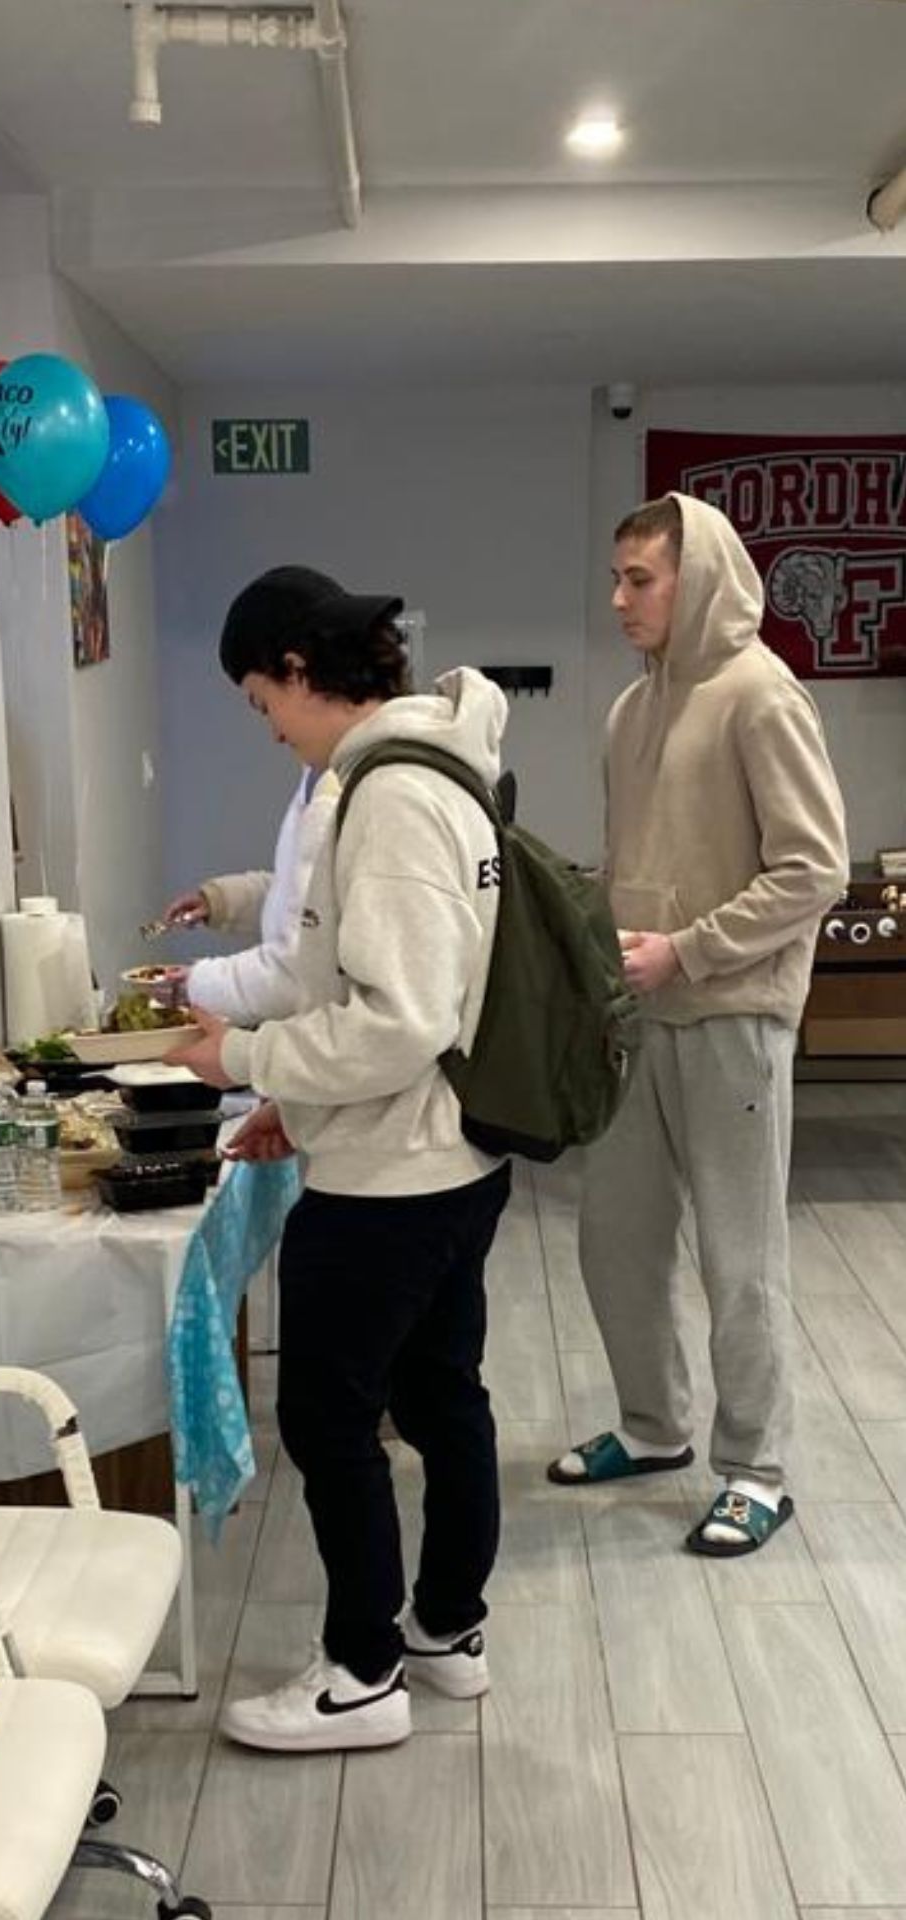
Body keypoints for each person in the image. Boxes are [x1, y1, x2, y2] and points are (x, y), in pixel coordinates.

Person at [168, 564, 512, 1752]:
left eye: (264, 699)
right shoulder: (424, 770)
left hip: (395, 1176)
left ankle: (362, 1671)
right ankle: (446, 1633)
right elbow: (361, 980)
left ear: (304, 673)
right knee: (438, 1395)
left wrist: (254, 1059)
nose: (267, 726)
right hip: (438, 1155)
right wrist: (290, 1100)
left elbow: (401, 1017)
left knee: (328, 1416)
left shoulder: (389, 794)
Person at [548, 493, 848, 1557]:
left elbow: (814, 869)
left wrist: (693, 948)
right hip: (640, 1020)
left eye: (641, 579)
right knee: (615, 1243)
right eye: (617, 578)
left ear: (699, 579)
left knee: (740, 1257)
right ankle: (653, 1424)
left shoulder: (762, 697)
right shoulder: (632, 712)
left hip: (733, 1018)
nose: (620, 598)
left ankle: (757, 1470)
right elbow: (635, 865)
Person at [161, 764, 339, 1024]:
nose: (275, 734)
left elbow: (295, 970)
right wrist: (221, 901)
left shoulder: (337, 793)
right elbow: (298, 896)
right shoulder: (315, 777)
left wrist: (197, 985)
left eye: (269, 719)